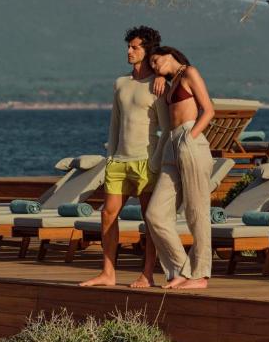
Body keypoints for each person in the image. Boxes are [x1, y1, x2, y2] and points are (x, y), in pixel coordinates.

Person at [80, 26, 168, 288]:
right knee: (108, 214)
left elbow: (166, 130)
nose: (129, 51)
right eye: (128, 46)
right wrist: (110, 157)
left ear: (147, 51)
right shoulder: (120, 83)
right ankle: (108, 272)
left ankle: (147, 273)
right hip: (118, 161)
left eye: (135, 47)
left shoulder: (158, 85)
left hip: (146, 161)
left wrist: (156, 162)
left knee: (149, 218)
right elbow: (115, 124)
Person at [144, 46, 216, 289]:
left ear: (170, 55)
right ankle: (182, 269)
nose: (154, 66)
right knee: (155, 214)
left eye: (156, 61)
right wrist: (158, 76)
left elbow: (209, 110)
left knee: (196, 212)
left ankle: (200, 276)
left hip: (189, 140)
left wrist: (190, 138)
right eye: (151, 64)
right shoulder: (171, 81)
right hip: (171, 145)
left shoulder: (189, 73)